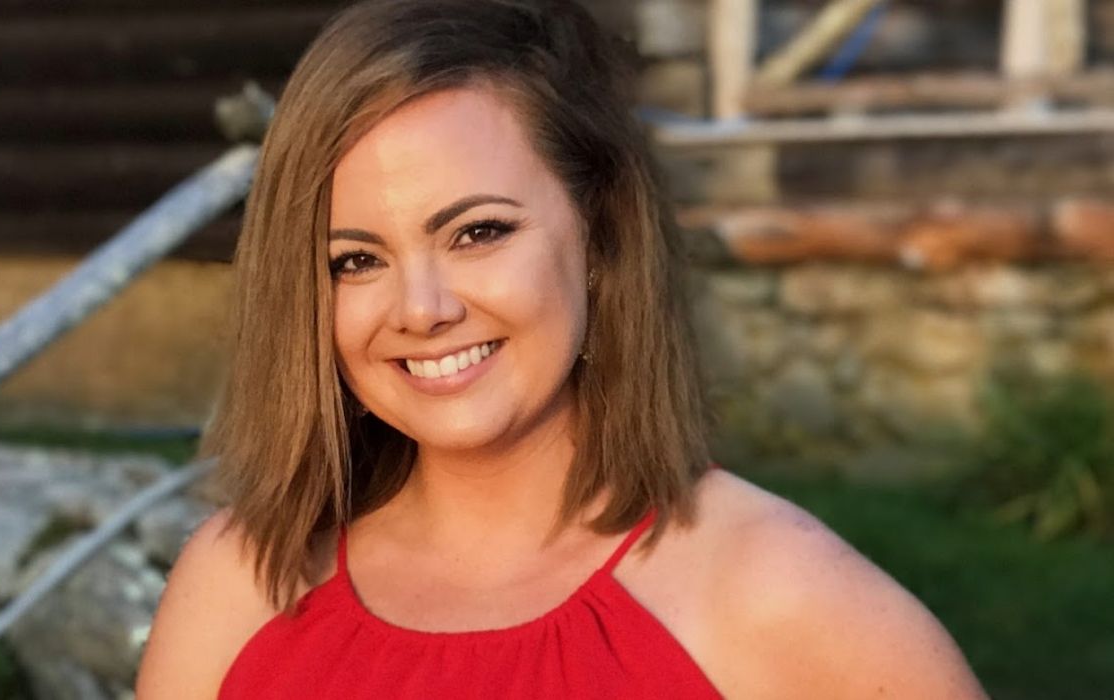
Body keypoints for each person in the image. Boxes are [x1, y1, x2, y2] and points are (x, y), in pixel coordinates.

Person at [137, 0, 987, 697]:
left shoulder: (782, 599)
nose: (422, 309)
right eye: (356, 260)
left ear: (600, 234)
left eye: (478, 232)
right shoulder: (238, 587)